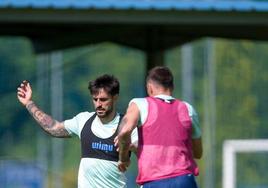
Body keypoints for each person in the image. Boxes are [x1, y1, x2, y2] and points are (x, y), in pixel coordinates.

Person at [17, 74, 138, 188]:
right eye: (95, 99)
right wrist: (29, 103)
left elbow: (146, 155)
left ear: (115, 98)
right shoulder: (83, 120)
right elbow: (53, 127)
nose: (98, 104)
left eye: (103, 99)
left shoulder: (127, 126)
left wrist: (130, 148)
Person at [116, 66, 203, 188]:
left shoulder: (140, 104)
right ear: (172, 87)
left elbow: (124, 131)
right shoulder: (188, 109)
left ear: (149, 87)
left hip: (155, 181)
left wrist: (123, 158)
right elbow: (198, 153)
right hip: (184, 180)